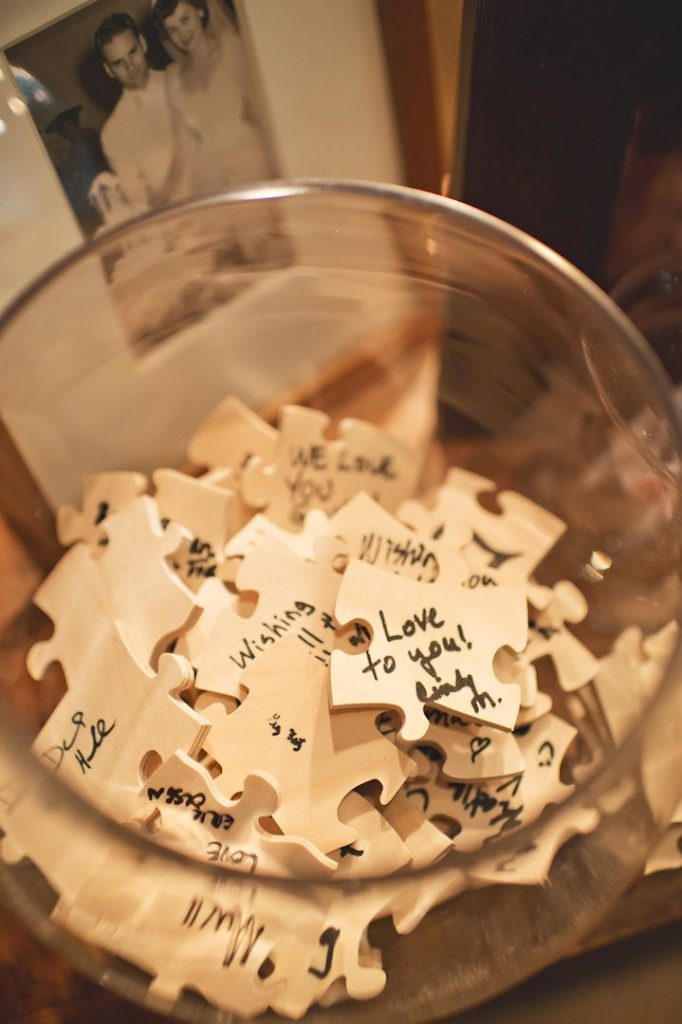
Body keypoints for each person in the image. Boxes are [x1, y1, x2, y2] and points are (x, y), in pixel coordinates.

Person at [151, 0, 273, 200]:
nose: (183, 34)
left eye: (185, 20)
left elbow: (262, 112)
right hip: (209, 174)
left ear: (199, 11)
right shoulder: (173, 78)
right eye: (172, 30)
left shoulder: (232, 48)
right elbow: (182, 147)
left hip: (250, 159)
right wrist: (165, 192)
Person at [95, 12, 189, 214]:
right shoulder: (113, 133)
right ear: (108, 70)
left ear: (143, 44)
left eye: (132, 52)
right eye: (118, 63)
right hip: (179, 220)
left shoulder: (183, 79)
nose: (130, 66)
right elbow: (141, 202)